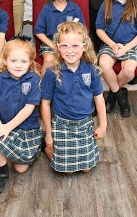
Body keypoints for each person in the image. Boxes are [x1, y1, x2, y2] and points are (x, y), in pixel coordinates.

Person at [41, 21, 107, 173]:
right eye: (64, 45)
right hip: (62, 125)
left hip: (84, 124)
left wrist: (103, 125)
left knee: (86, 169)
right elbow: (45, 104)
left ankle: (65, 152)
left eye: (75, 46)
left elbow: (99, 98)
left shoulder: (92, 69)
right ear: (58, 47)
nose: (69, 51)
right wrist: (49, 134)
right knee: (67, 170)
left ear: (85, 46)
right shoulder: (52, 72)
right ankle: (49, 149)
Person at [0, 36, 44, 193]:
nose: (18, 65)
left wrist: (7, 127)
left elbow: (28, 109)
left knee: (21, 169)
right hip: (6, 125)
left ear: (30, 62)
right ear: (5, 60)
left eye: (23, 62)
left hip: (27, 128)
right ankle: (3, 173)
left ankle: (38, 144)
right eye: (13, 61)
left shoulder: (34, 79)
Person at [34, 0, 85, 74]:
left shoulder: (75, 8)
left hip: (71, 43)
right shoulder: (47, 8)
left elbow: (82, 30)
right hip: (50, 43)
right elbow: (38, 31)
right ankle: (43, 87)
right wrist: (52, 45)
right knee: (49, 60)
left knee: (75, 61)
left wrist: (72, 45)